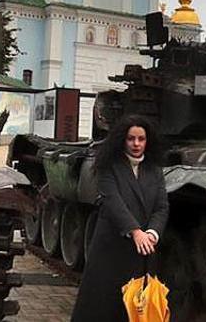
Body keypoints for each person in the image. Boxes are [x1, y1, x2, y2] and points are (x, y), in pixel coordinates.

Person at [70, 115, 169, 322]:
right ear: (122, 140)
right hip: (111, 248)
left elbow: (161, 206)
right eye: (131, 138)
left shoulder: (154, 169)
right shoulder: (109, 166)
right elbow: (113, 202)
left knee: (136, 308)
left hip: (143, 250)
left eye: (141, 139)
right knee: (103, 306)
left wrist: (152, 233)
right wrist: (135, 231)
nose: (136, 144)